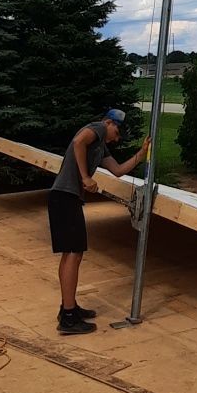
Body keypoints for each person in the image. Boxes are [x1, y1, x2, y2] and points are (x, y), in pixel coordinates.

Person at [48, 109, 150, 334]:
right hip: (65, 196)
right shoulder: (98, 128)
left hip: (66, 198)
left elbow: (118, 171)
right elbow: (78, 141)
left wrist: (141, 154)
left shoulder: (100, 146)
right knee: (73, 254)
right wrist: (85, 177)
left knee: (72, 253)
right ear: (108, 122)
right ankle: (68, 317)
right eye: (117, 130)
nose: (117, 136)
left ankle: (69, 307)